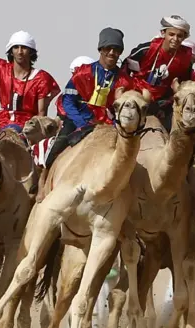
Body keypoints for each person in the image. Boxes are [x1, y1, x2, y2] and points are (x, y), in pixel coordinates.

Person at [37, 27, 131, 201]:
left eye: (116, 50)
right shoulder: (84, 72)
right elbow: (67, 101)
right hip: (79, 120)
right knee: (60, 142)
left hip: (108, 124)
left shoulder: (124, 79)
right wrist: (81, 122)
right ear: (100, 49)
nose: (112, 52)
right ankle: (43, 179)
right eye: (108, 48)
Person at [0, 30, 61, 133]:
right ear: (11, 51)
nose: (20, 51)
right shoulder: (1, 68)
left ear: (31, 51)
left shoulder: (41, 78)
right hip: (0, 121)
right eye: (16, 47)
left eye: (24, 47)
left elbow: (41, 113)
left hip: (27, 126)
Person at [125, 15, 194, 130]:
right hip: (137, 95)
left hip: (163, 104)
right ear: (163, 33)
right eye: (171, 34)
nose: (175, 39)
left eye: (180, 36)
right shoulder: (145, 50)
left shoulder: (185, 59)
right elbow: (125, 73)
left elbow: (183, 85)